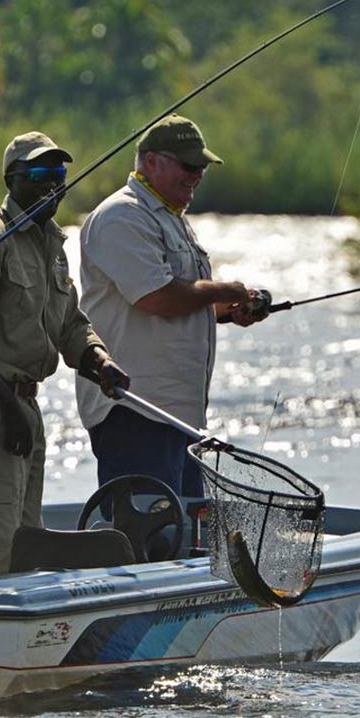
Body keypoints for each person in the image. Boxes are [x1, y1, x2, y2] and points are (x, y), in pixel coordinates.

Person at [0, 131, 130, 579]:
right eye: (39, 173)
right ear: (11, 179)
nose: (51, 184)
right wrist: (7, 406)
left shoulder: (52, 247)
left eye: (59, 174)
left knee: (26, 542)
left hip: (24, 406)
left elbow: (70, 325)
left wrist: (99, 361)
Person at [76, 115, 268, 499]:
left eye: (201, 167)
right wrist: (225, 290)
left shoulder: (169, 218)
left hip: (179, 418)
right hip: (135, 413)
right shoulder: (122, 217)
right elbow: (157, 298)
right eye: (188, 166)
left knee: (182, 539)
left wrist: (231, 311)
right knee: (147, 540)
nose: (197, 175)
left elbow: (175, 305)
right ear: (151, 161)